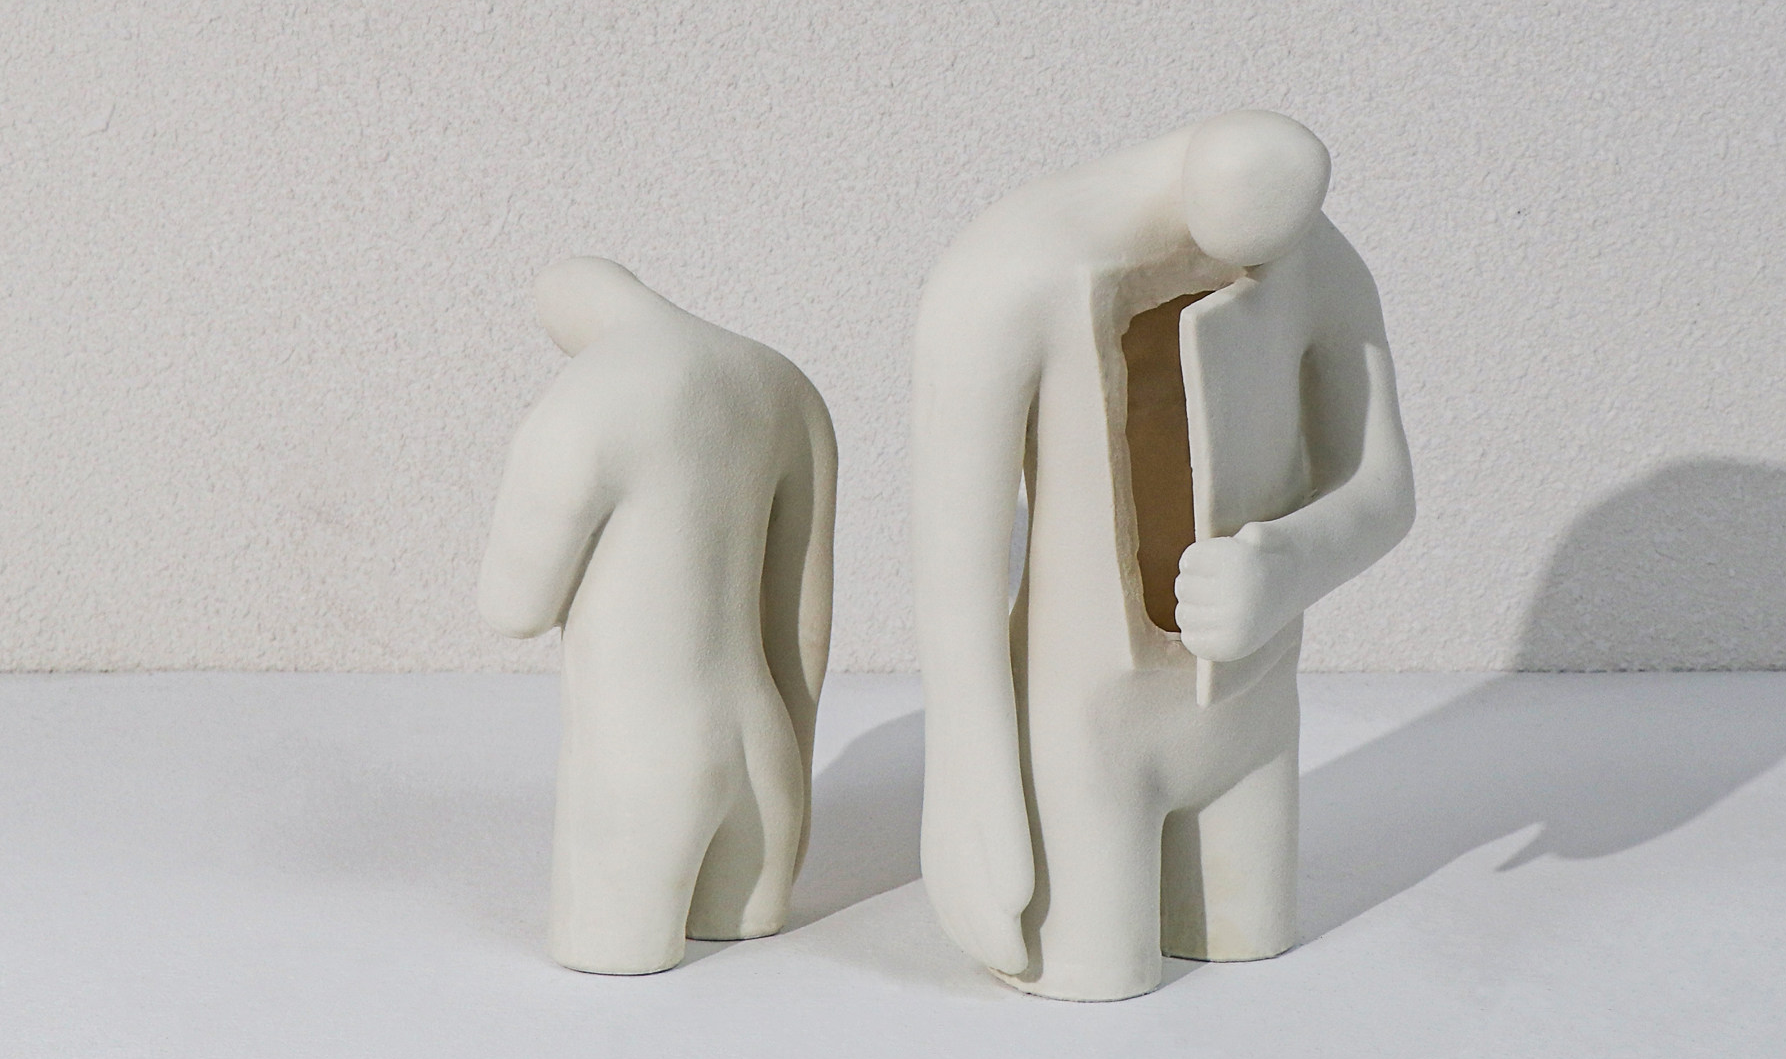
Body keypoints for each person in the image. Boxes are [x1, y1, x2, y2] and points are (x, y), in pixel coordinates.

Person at [913, 112, 1413, 1000]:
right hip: (1086, 735)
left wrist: (1288, 566)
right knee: (1092, 971)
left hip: (1252, 711)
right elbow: (955, 565)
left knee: (1248, 936)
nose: (1258, 272)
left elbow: (1382, 487)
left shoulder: (1310, 252)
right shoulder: (1013, 266)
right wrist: (969, 784)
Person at [480, 257, 836, 974]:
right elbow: (804, 626)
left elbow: (513, 608)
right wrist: (795, 791)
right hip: (764, 754)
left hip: (639, 761)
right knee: (756, 994)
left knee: (612, 964)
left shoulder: (592, 391)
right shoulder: (783, 384)